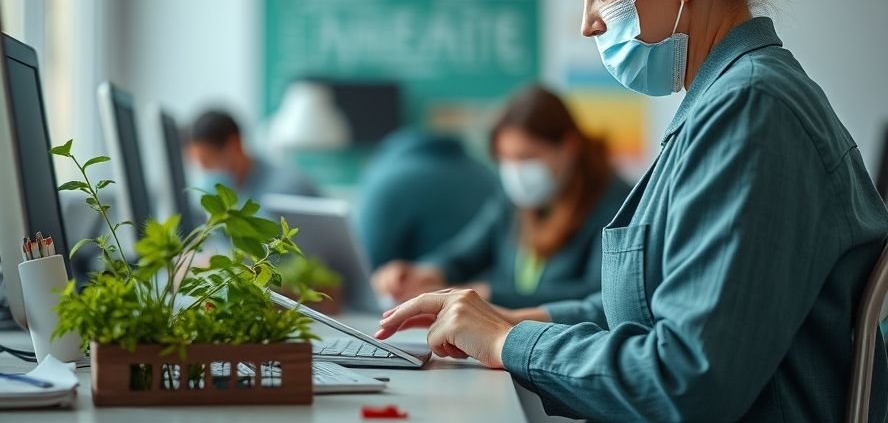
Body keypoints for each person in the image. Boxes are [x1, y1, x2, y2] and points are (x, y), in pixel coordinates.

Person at [374, 0, 888, 422]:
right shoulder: (725, 101)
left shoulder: (751, 108)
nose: (587, 23)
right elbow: (652, 308)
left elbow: (687, 378)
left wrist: (507, 342)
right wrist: (511, 322)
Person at [372, 85, 631, 309]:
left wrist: (489, 296)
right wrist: (423, 272)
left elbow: (597, 296)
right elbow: (465, 255)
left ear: (569, 146)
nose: (515, 171)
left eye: (526, 157)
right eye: (505, 158)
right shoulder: (512, 200)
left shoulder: (617, 204)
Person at [356, 127, 501, 269]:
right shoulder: (485, 173)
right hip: (460, 277)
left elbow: (366, 261)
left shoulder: (387, 180)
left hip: (417, 279)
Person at [186, 109, 321, 201]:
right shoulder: (224, 192)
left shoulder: (288, 188)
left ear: (234, 145)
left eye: (208, 161)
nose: (205, 171)